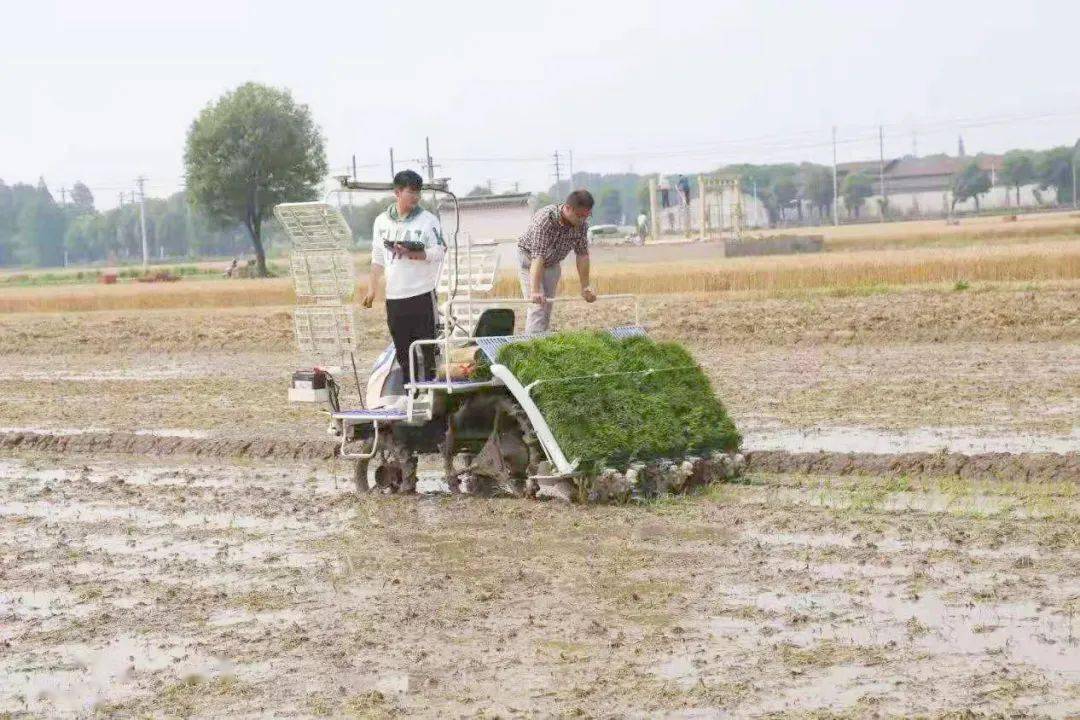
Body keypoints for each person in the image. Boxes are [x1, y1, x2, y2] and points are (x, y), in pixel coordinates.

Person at [362, 170, 446, 390]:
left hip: (422, 294)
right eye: (411, 191)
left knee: (428, 347)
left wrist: (413, 253)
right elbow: (377, 258)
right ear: (397, 192)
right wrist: (372, 289)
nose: (415, 196)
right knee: (402, 349)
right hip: (395, 296)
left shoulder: (428, 221)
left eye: (418, 192)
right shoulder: (381, 222)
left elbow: (439, 251)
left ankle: (430, 391)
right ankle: (410, 391)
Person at [517, 189, 597, 334]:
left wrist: (585, 287)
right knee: (537, 305)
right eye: (579, 216)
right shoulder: (545, 219)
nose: (582, 220)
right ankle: (532, 348)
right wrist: (535, 291)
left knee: (547, 306)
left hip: (552, 263)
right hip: (530, 261)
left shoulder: (582, 226)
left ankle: (542, 340)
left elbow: (582, 255)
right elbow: (538, 257)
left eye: (586, 216)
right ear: (567, 208)